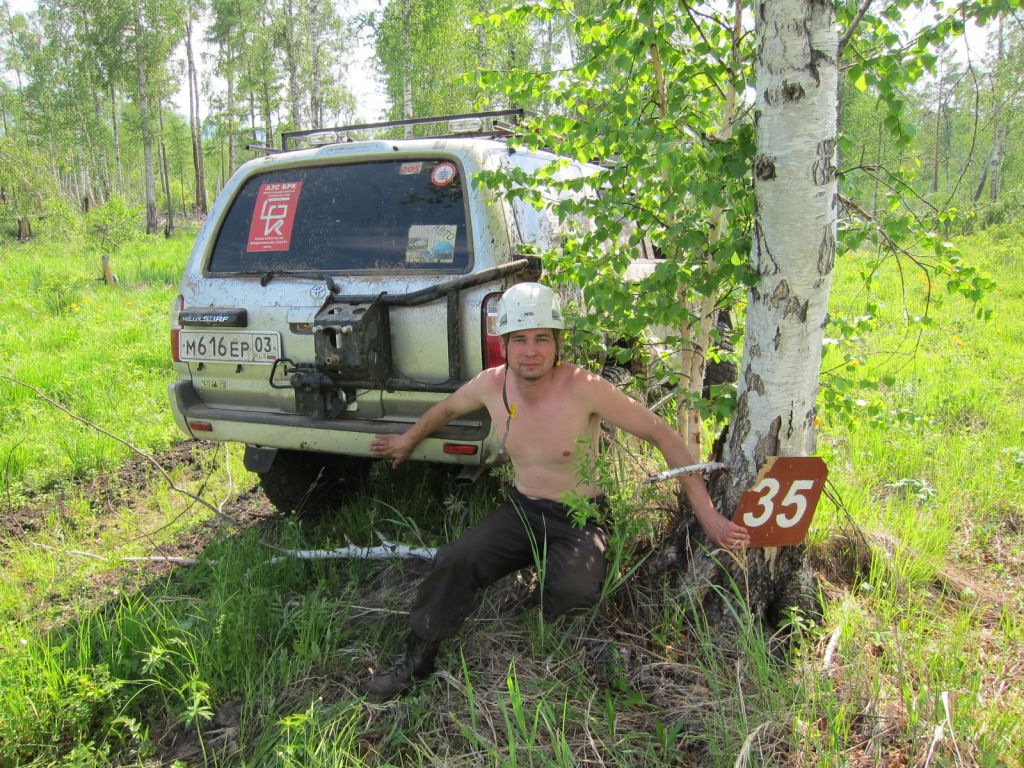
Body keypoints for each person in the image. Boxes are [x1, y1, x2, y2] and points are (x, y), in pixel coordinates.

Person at [361, 282, 749, 700]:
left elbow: (661, 433)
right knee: (455, 559)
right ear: (504, 344)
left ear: (557, 343)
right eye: (520, 339)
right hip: (522, 510)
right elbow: (447, 408)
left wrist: (706, 514)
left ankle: (548, 598)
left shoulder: (584, 387)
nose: (531, 351)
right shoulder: (491, 385)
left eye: (542, 338)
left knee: (572, 593)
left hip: (581, 517)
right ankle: (416, 659)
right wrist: (407, 440)